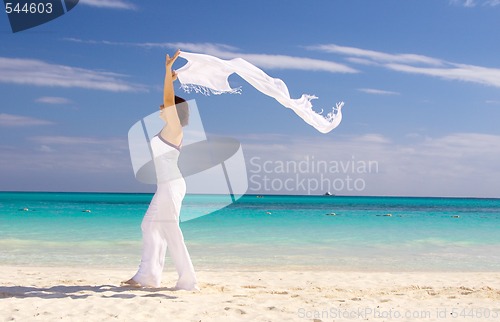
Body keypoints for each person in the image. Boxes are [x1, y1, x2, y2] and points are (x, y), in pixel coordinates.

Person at [122, 50, 198, 290]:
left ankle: (187, 281)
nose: (160, 108)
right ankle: (148, 275)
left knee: (170, 230)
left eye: (164, 107)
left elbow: (167, 100)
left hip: (172, 185)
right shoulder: (168, 131)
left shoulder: (175, 129)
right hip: (166, 185)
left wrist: (167, 72)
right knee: (149, 226)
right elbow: (166, 102)